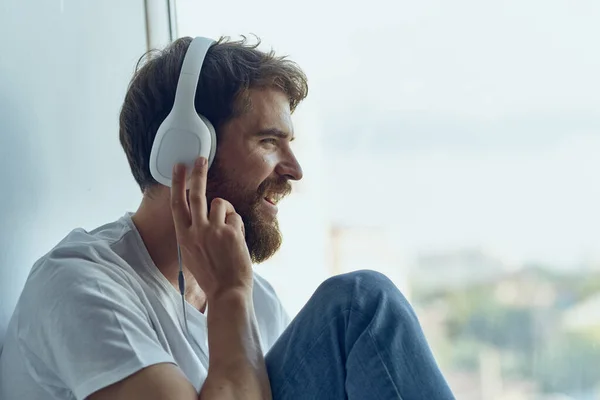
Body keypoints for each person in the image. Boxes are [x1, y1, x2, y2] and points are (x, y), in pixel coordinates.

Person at [0, 36, 455, 400]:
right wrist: (230, 293)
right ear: (188, 149)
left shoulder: (260, 302)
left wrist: (233, 293)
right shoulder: (79, 286)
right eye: (269, 141)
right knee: (359, 301)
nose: (295, 169)